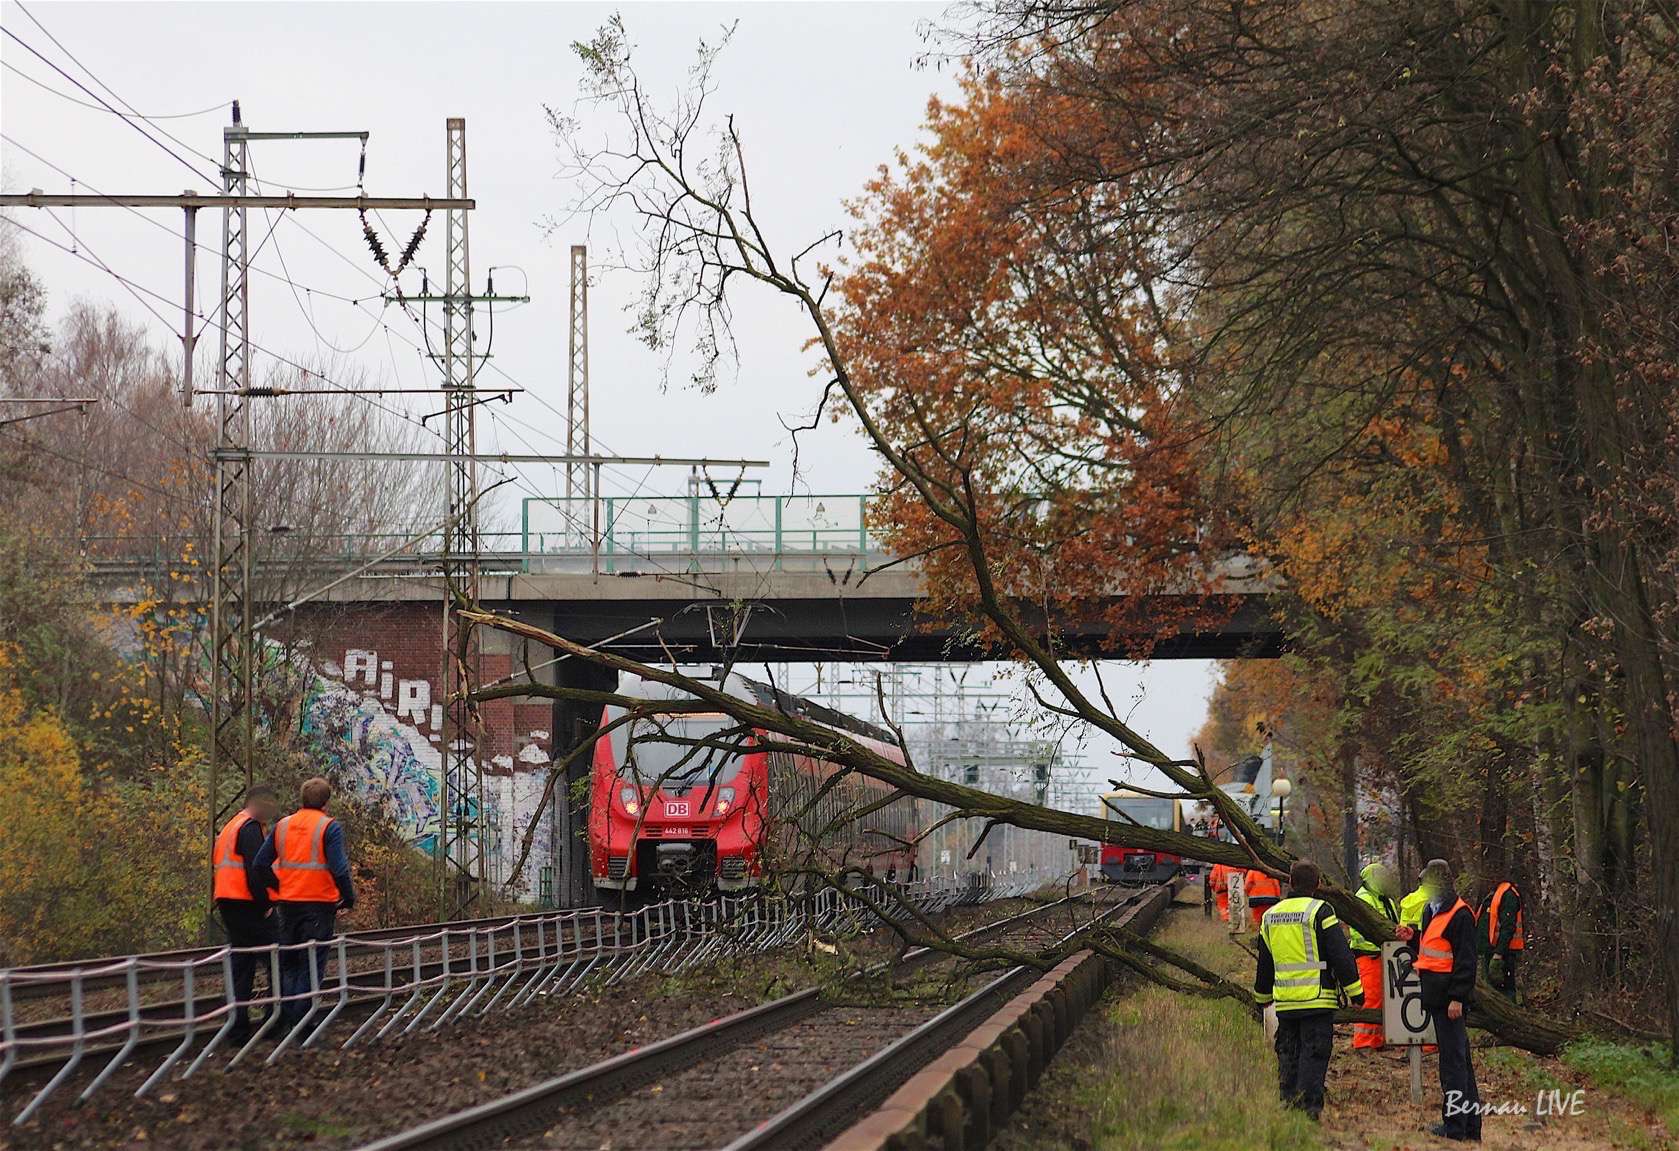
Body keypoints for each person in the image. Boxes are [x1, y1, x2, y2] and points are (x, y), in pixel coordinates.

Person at [1254, 859, 1364, 1121]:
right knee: (1314, 1053)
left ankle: (1289, 1104)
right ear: (1317, 884)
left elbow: (1265, 964)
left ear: (1290, 882)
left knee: (1288, 1052)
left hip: (1286, 1002)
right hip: (1317, 1000)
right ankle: (1309, 1109)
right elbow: (1341, 954)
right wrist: (1355, 991)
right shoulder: (1321, 911)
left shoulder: (1270, 916)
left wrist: (1262, 998)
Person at [253, 777, 355, 1032]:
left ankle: (286, 1020)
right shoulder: (328, 827)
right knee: (311, 964)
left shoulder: (283, 826)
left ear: (301, 799)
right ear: (326, 802)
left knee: (289, 963)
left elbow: (260, 864)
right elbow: (339, 868)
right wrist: (348, 897)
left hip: (287, 905)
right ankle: (303, 1024)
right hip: (319, 905)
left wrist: (279, 887)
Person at [1410, 859, 1481, 1142]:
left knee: (1453, 1066)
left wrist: (1457, 998)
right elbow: (1429, 949)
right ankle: (1469, 1127)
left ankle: (1456, 1128)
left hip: (1448, 1001)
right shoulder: (1431, 910)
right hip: (1437, 997)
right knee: (1459, 1063)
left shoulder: (1461, 915)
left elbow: (1466, 961)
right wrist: (1411, 938)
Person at [213, 784, 279, 1044]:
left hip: (228, 901)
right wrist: (266, 904)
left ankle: (237, 1030)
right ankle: (274, 1022)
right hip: (247, 903)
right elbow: (255, 870)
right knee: (278, 958)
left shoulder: (232, 825)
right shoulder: (249, 828)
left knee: (242, 966)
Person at [1346, 861, 1400, 1052]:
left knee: (1385, 999)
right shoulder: (1364, 898)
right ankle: (1364, 1042)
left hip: (1385, 955)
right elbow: (1361, 931)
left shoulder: (1386, 900)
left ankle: (1378, 1040)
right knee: (1371, 998)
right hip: (1369, 956)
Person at [1476, 879, 1524, 999]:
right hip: (1491, 952)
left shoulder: (1508, 895)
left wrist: (1499, 954)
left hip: (1503, 954)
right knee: (1493, 993)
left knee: (1504, 993)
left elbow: (1508, 927)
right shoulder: (1492, 894)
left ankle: (1511, 1014)